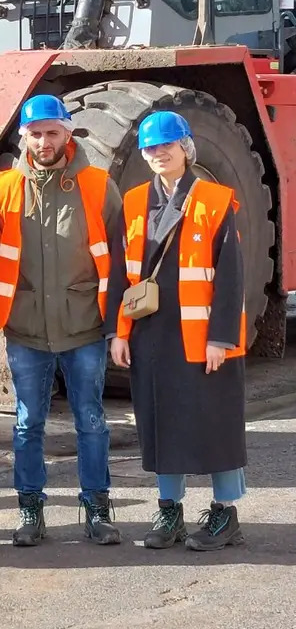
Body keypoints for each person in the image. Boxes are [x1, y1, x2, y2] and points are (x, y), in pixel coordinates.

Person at [0, 94, 125, 546]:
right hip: (26, 329)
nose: (44, 141)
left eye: (52, 132)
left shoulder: (97, 185)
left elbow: (118, 259)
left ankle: (97, 507)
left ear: (68, 133)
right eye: (36, 133)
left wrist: (114, 323)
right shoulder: (4, 188)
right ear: (23, 137)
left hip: (83, 325)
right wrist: (4, 310)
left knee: (90, 419)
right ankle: (30, 510)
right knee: (29, 423)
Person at [110, 111, 247, 551]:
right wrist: (119, 333)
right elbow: (121, 274)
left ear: (186, 148)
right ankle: (169, 511)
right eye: (151, 148)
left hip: (203, 337)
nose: (158, 153)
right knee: (161, 422)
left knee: (216, 425)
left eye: (167, 145)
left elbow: (231, 277)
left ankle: (225, 515)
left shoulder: (214, 200)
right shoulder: (133, 202)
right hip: (151, 335)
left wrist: (221, 339)